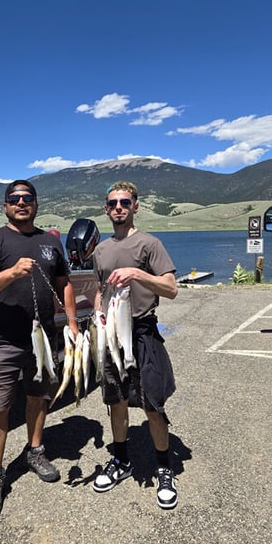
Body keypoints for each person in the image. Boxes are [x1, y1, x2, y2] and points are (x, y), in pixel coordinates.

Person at [0, 179, 78, 517]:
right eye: (14, 198)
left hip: (44, 339)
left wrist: (73, 325)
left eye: (27, 198)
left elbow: (65, 285)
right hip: (3, 341)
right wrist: (12, 273)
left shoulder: (50, 243)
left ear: (36, 204)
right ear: (5, 205)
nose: (21, 203)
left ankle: (34, 451)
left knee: (38, 397)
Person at [91, 181, 179, 509]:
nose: (118, 208)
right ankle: (122, 460)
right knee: (115, 401)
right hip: (113, 333)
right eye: (112, 202)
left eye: (124, 202)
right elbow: (101, 289)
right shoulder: (100, 250)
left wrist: (137, 273)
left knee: (153, 404)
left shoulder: (150, 244)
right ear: (106, 208)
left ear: (135, 207)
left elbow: (171, 288)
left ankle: (164, 466)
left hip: (143, 334)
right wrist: (98, 316)